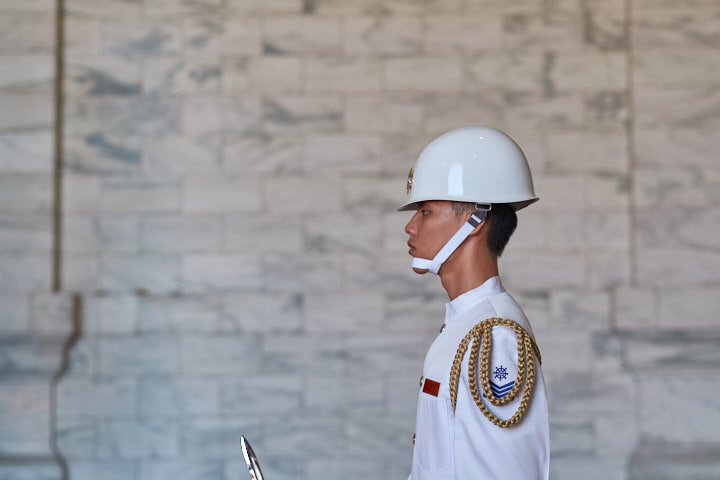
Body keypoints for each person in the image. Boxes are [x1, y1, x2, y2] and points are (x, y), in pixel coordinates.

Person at [400, 127, 549, 480]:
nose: (410, 226)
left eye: (425, 211)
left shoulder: (494, 337)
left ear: (475, 221)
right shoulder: (467, 324)